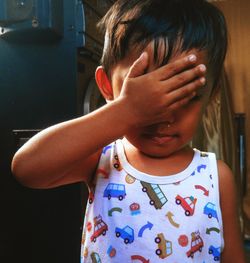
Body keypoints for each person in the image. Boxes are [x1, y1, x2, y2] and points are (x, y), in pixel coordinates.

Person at [12, 0, 245, 262]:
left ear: (210, 96)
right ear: (107, 87)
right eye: (145, 97)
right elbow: (26, 168)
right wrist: (126, 111)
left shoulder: (217, 176)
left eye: (185, 95)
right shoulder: (103, 159)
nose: (163, 115)